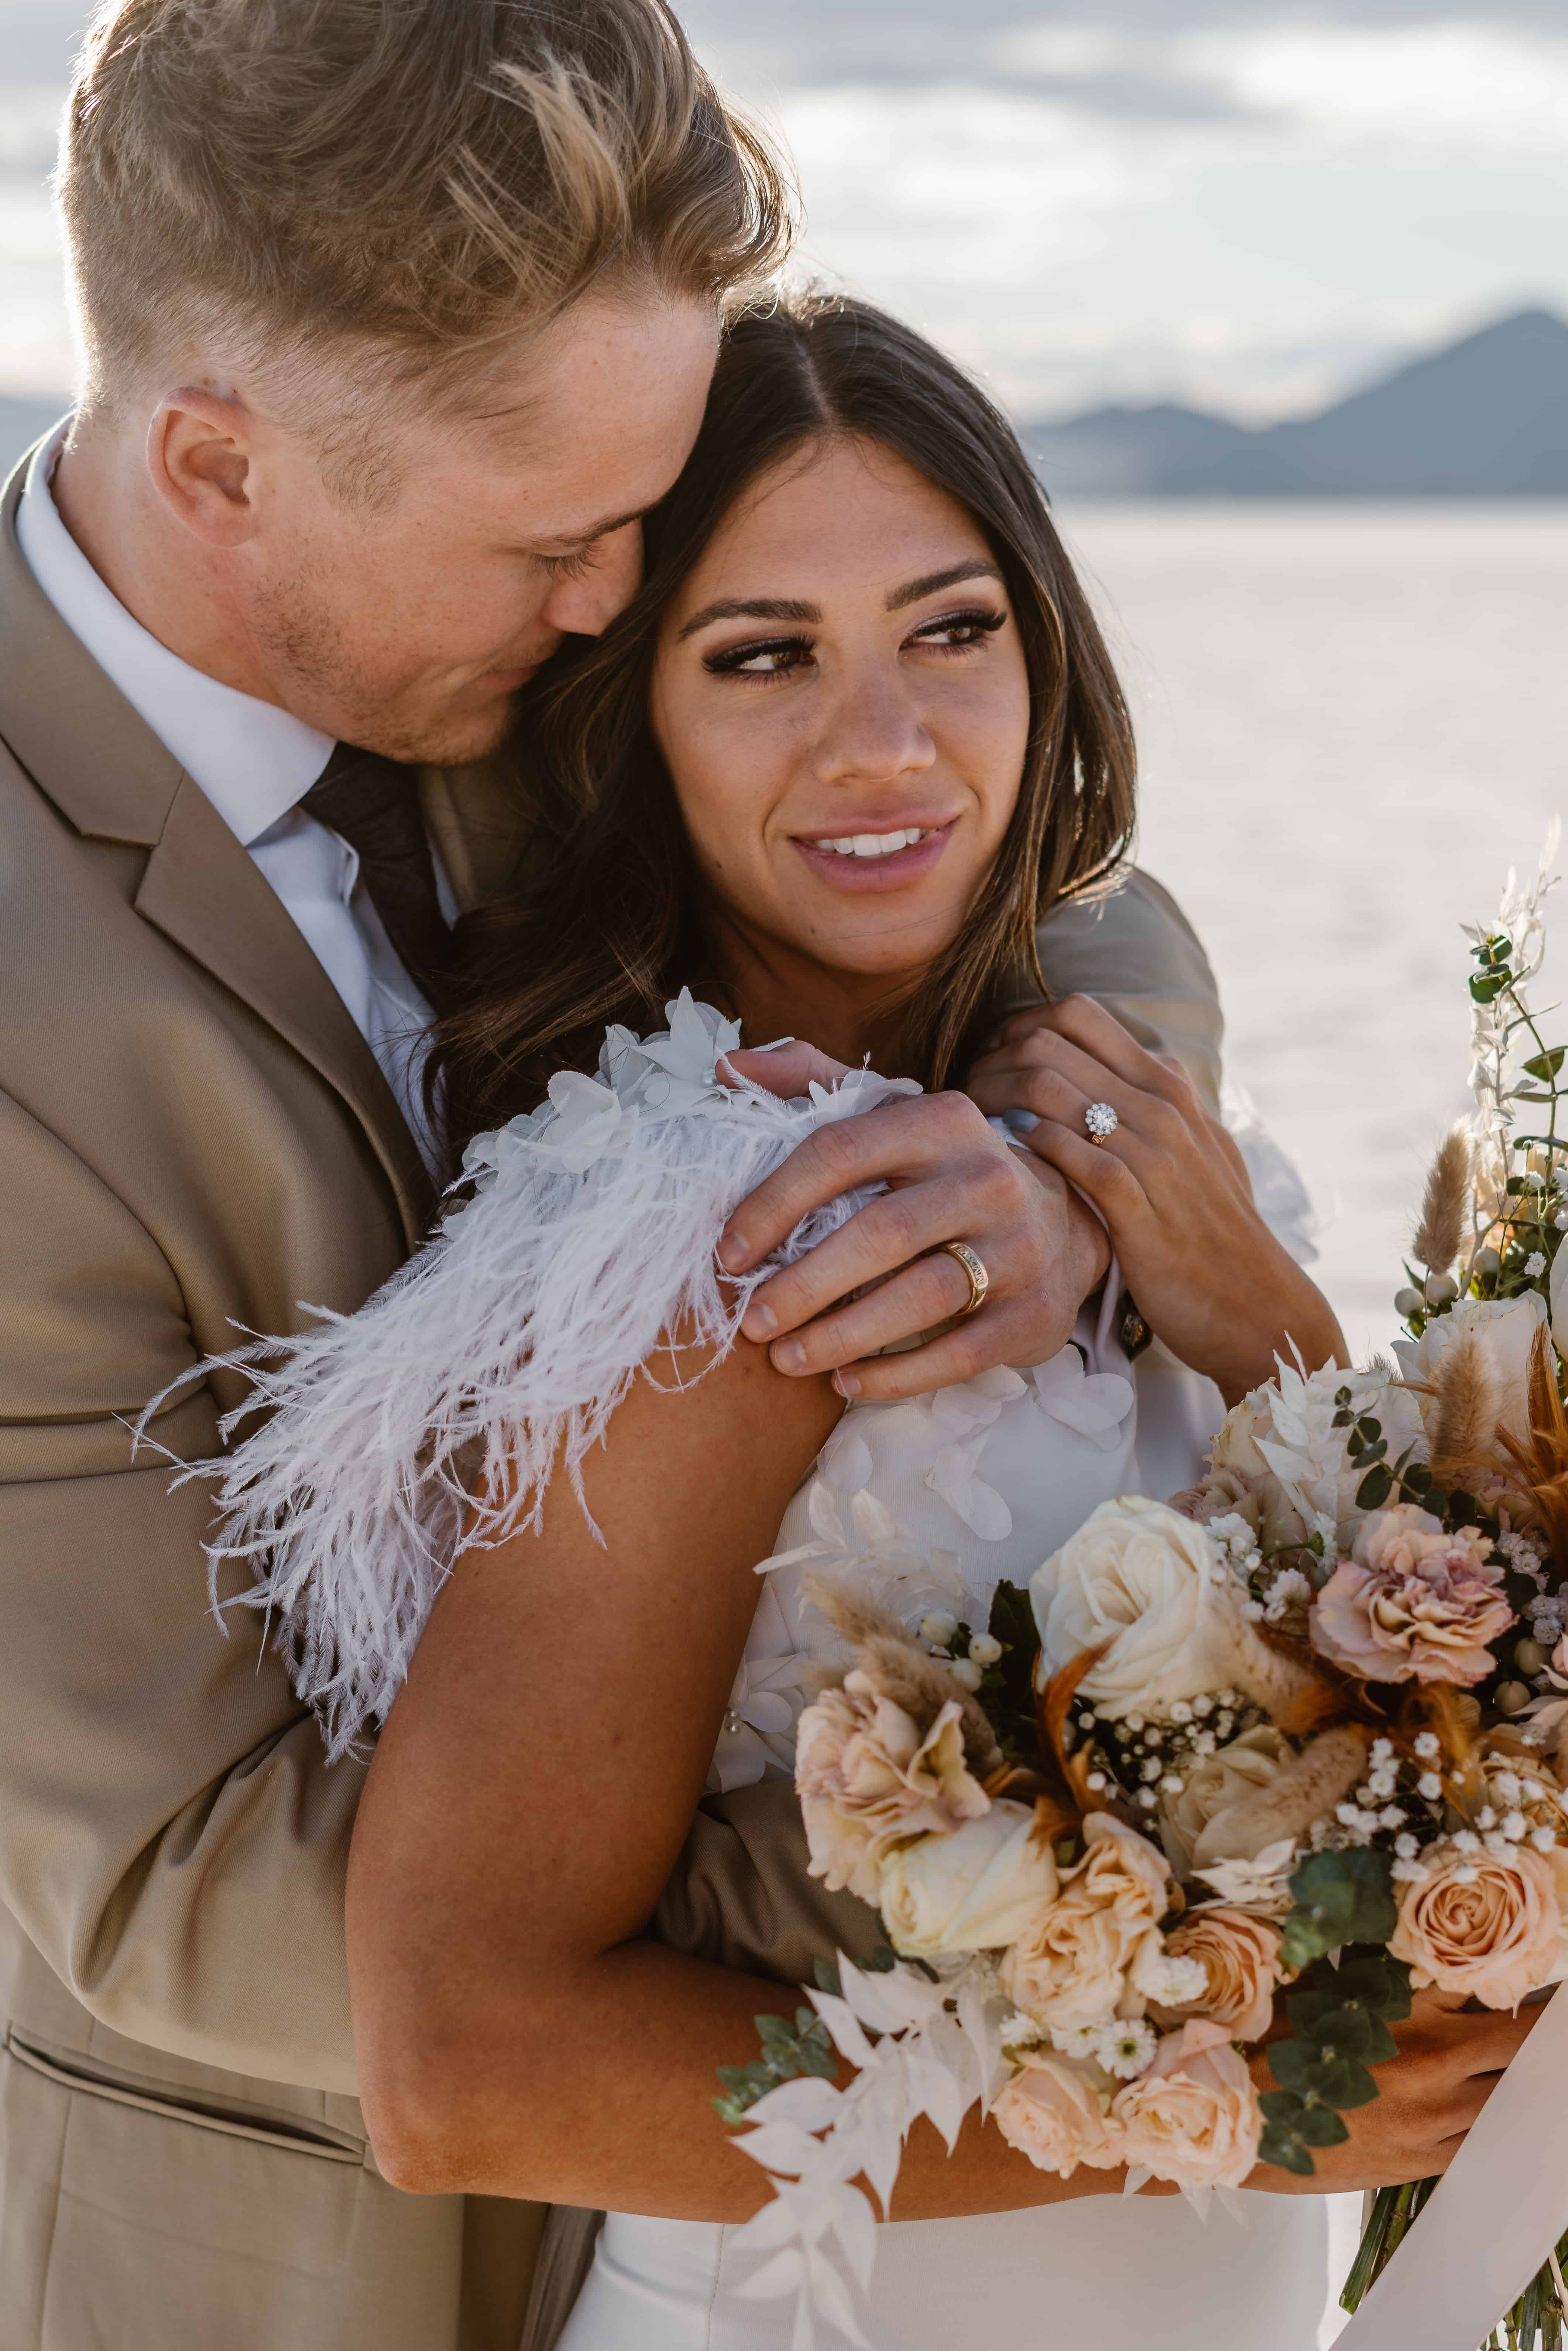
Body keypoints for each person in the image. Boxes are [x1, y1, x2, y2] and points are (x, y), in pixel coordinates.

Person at [0, 5, 1239, 2348]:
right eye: (564, 547)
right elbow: (183, 1886)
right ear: (221, 466)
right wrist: (1104, 1870)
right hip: (295, 2264)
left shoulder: (473, 640)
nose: (614, 602)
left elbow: (1031, 874)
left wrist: (1049, 1157)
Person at [211, 295, 1537, 2351]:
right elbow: (463, 2061)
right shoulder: (722, 1242)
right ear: (623, 715)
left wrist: (1241, 1300)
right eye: (760, 658)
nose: (886, 743)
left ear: (1047, 651)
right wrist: (1196, 2107)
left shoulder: (1142, 1136)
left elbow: (1413, 1672)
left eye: (951, 629)